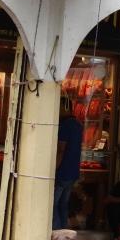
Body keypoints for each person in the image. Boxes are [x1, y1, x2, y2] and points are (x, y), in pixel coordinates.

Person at [52, 96, 82, 230]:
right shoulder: (78, 125)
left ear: (65, 107)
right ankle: (63, 230)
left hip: (62, 171)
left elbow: (60, 150)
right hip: (72, 171)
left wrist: (54, 169)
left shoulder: (65, 125)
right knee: (63, 203)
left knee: (53, 204)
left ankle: (56, 230)